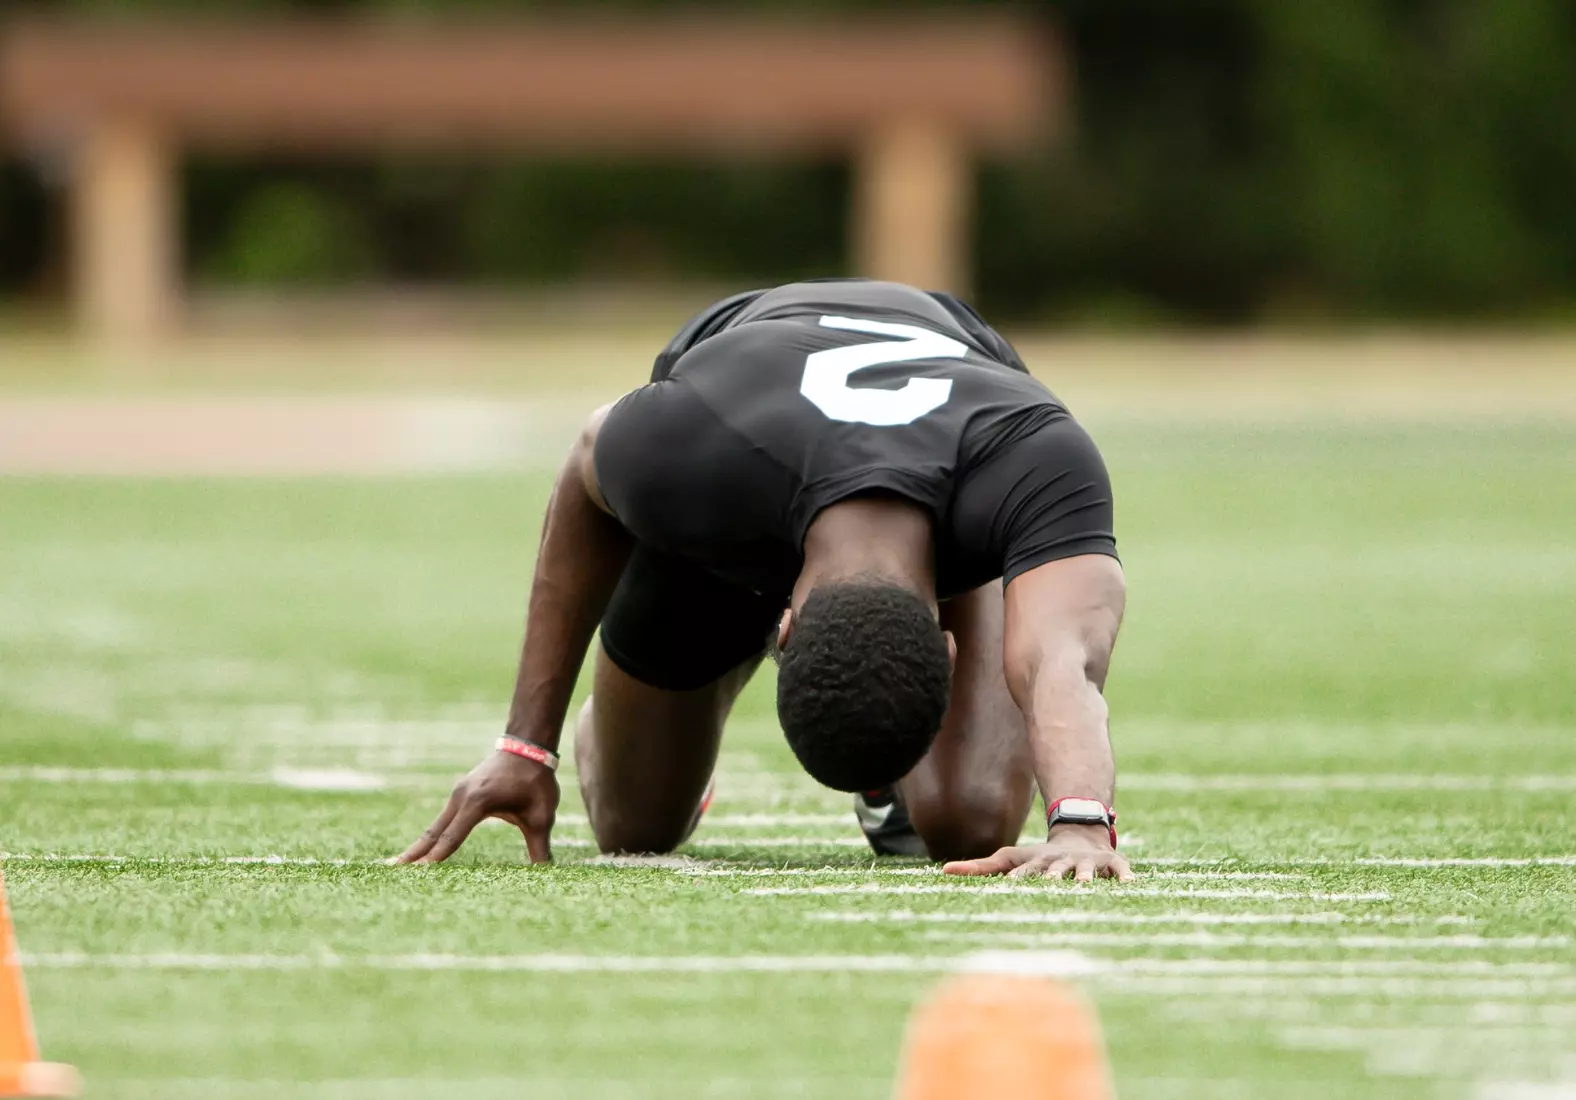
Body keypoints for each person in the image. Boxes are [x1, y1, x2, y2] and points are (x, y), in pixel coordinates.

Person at [396, 279, 1131, 881]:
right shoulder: (685, 456)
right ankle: (633, 714)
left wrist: (1080, 825)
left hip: (932, 507)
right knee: (634, 826)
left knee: (967, 821)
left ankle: (885, 784)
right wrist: (527, 746)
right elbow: (586, 464)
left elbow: (1058, 663)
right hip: (729, 502)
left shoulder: (1027, 456)